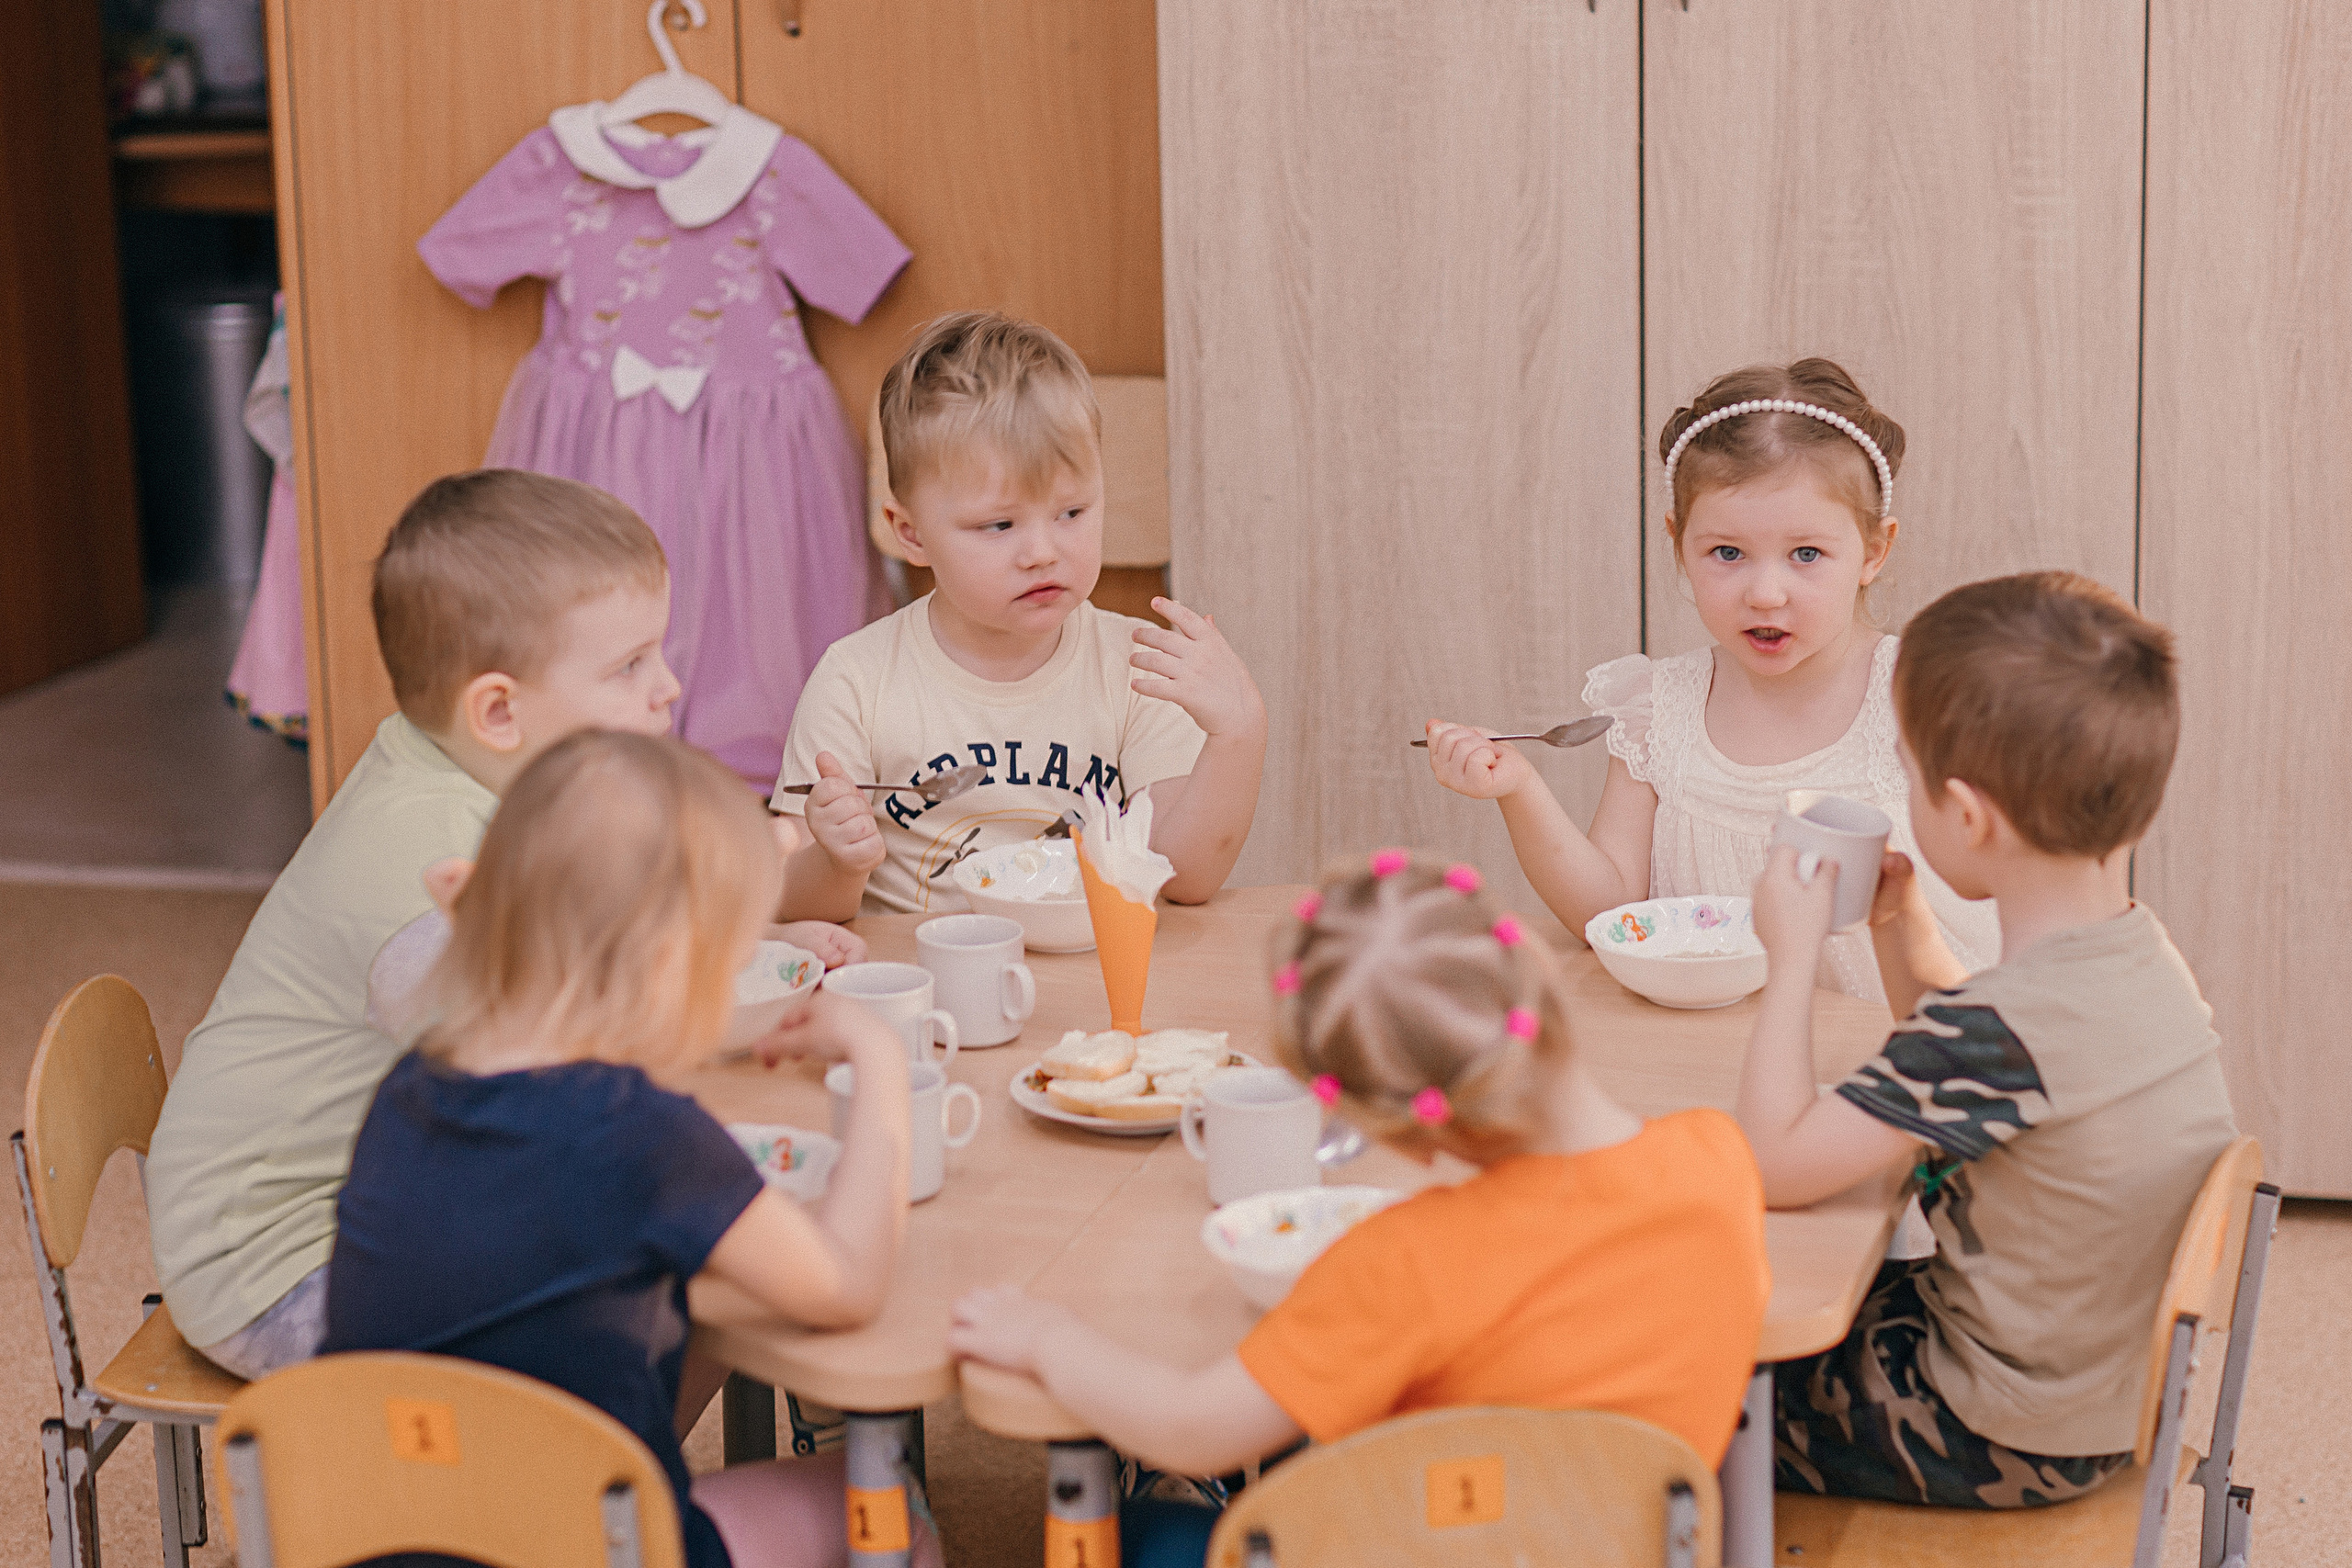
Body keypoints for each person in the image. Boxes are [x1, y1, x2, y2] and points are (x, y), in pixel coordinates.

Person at [147, 469, 858, 1383]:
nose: (669, 688)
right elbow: (574, 1043)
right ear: (498, 711)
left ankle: (615, 1495)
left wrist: (745, 953)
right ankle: (586, 1505)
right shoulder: (429, 853)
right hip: (284, 1270)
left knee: (675, 1244)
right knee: (660, 1262)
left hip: (375, 1206)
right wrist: (754, 1000)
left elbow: (597, 954)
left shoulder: (470, 771)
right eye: (628, 666)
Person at [949, 852, 1770, 1564]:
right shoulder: (1720, 1161)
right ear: (1547, 974)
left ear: (1404, 1136)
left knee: (1137, 1531)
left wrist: (1048, 1335)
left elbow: (1189, 1428)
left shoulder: (1405, 1259)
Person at [325, 732, 936, 1568]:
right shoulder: (644, 1134)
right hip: (579, 1543)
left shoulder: (406, 1090)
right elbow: (849, 1283)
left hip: (392, 1532)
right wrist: (879, 1059)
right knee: (885, 1503)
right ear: (664, 968)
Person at [1739, 571, 2237, 1508]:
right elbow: (1967, 1046)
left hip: (1994, 1427)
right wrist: (1900, 924)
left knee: (1685, 1373)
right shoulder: (2131, 954)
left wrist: (1791, 953)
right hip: (2097, 1387)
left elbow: (1770, 1162)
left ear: (1964, 816)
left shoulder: (1994, 1033)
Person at [1424, 359, 1998, 1004]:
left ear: (1872, 552)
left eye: (1806, 554)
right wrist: (1518, 788)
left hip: (1897, 1049)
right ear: (1679, 543)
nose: (1765, 592)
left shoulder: (1919, 696)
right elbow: (1609, 911)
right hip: (1715, 1049)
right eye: (1727, 553)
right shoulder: (1657, 708)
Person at [774, 310, 1267, 919]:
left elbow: (1179, 877)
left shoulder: (1137, 669)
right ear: (912, 533)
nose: (1042, 552)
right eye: (1000, 524)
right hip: (926, 986)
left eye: (1072, 512)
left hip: (1092, 984)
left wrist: (1238, 734)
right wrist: (835, 859)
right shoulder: (855, 680)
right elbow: (789, 901)